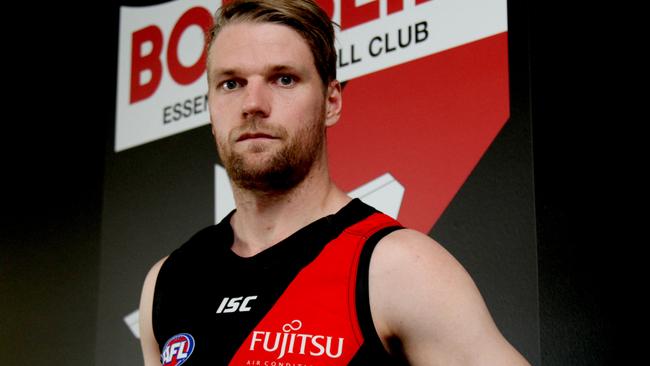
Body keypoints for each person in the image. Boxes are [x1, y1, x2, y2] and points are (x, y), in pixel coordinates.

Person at [138, 0, 531, 365]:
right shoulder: (167, 281)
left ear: (331, 102)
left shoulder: (397, 267)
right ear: (209, 106)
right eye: (231, 83)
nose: (252, 103)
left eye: (284, 79)